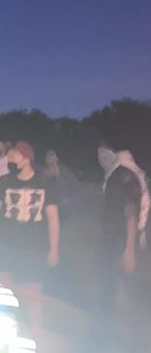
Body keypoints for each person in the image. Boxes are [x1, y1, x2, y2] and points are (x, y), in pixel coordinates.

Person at [0, 141, 60, 332]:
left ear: (25, 156)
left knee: (33, 294)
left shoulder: (44, 182)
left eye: (14, 154)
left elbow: (53, 218)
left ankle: (34, 336)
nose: (10, 157)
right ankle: (2, 334)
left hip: (34, 247)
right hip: (5, 244)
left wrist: (54, 249)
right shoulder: (5, 181)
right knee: (3, 292)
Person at [93, 145, 149, 346]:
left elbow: (131, 213)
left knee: (123, 291)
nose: (100, 158)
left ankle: (129, 342)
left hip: (119, 243)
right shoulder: (118, 175)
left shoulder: (122, 176)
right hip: (114, 241)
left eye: (103, 153)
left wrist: (129, 250)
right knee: (113, 290)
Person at [43, 149, 78, 218]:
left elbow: (74, 184)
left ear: (57, 158)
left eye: (52, 155)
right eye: (48, 156)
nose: (50, 158)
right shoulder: (44, 172)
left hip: (61, 203)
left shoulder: (64, 171)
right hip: (48, 202)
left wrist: (68, 197)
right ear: (46, 159)